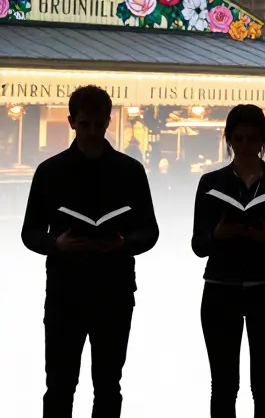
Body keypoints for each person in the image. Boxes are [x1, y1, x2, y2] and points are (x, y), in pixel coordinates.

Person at [20, 84, 160, 418]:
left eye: (99, 125)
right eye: (85, 125)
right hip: (66, 294)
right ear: (72, 122)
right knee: (59, 384)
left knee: (108, 384)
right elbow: (30, 232)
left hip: (113, 293)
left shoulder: (130, 171)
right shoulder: (50, 172)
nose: (93, 133)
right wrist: (56, 244)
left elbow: (150, 230)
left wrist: (124, 243)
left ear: (108, 122)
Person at [192, 104, 265, 418]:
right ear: (229, 140)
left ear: (264, 141)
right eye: (238, 139)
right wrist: (217, 235)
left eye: (252, 139)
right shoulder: (211, 184)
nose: (245, 146)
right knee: (223, 384)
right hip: (220, 289)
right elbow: (198, 245)